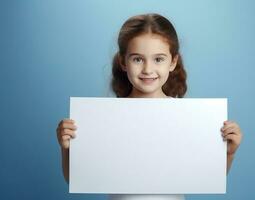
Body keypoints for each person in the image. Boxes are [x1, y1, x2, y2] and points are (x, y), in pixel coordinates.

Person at [56, 13, 243, 200]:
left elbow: (207, 178)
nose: (147, 69)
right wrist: (66, 148)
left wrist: (229, 153)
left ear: (173, 61)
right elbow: (76, 178)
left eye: (158, 59)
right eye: (137, 59)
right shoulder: (106, 119)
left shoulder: (188, 118)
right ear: (123, 61)